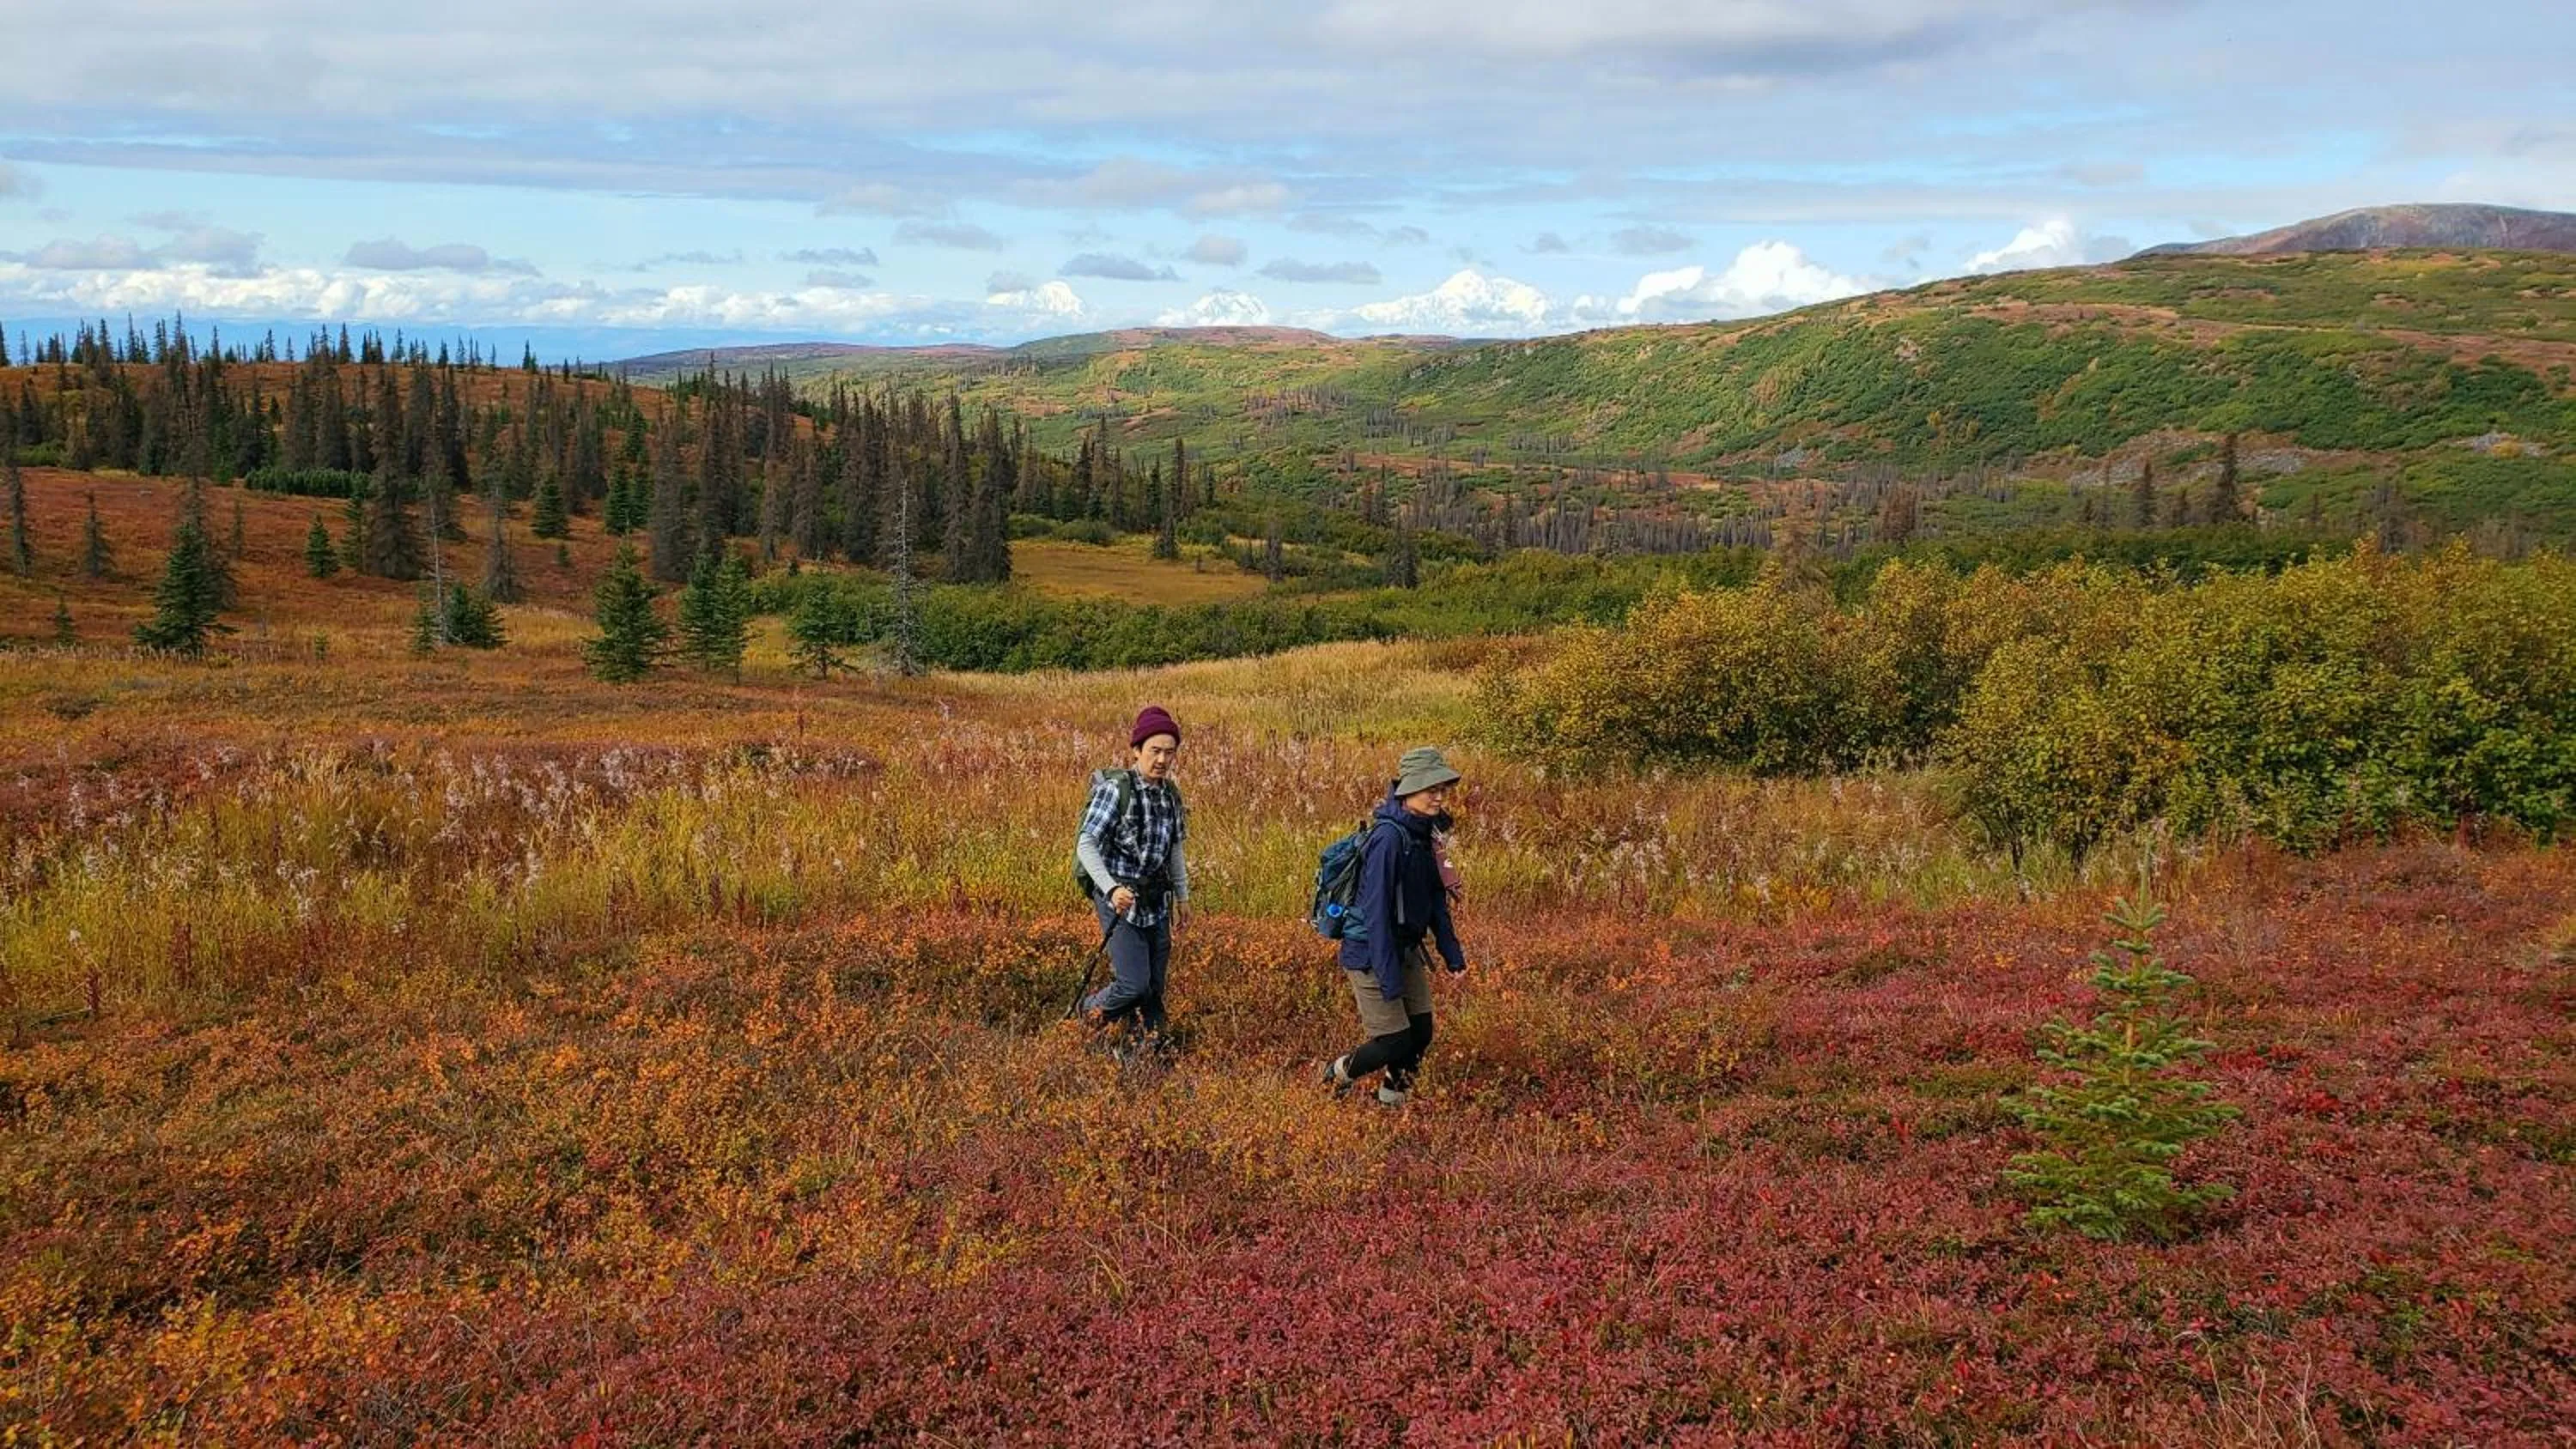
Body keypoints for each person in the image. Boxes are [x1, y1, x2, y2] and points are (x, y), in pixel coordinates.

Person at [1322, 746, 1467, 1107]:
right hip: (1372, 952)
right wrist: (1388, 976)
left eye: (1441, 789)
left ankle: (1391, 1100)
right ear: (1407, 791)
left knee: (1420, 1032)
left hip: (1405, 947)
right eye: (1429, 788)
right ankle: (1337, 1073)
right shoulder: (1388, 839)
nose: (1438, 796)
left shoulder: (1425, 835)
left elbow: (1435, 899)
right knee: (1393, 1039)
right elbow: (1376, 915)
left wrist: (1452, 953)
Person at [1074, 706, 1189, 1051]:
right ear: (1137, 749)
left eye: (1169, 752)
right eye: (1155, 750)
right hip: (1119, 900)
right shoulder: (1115, 790)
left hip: (1156, 901)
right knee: (1133, 985)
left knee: (1154, 986)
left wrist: (1183, 898)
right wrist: (1111, 889)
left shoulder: (1170, 796)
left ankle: (1147, 1052)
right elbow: (1086, 843)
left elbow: (1175, 850)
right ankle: (1087, 1014)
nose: (1162, 759)